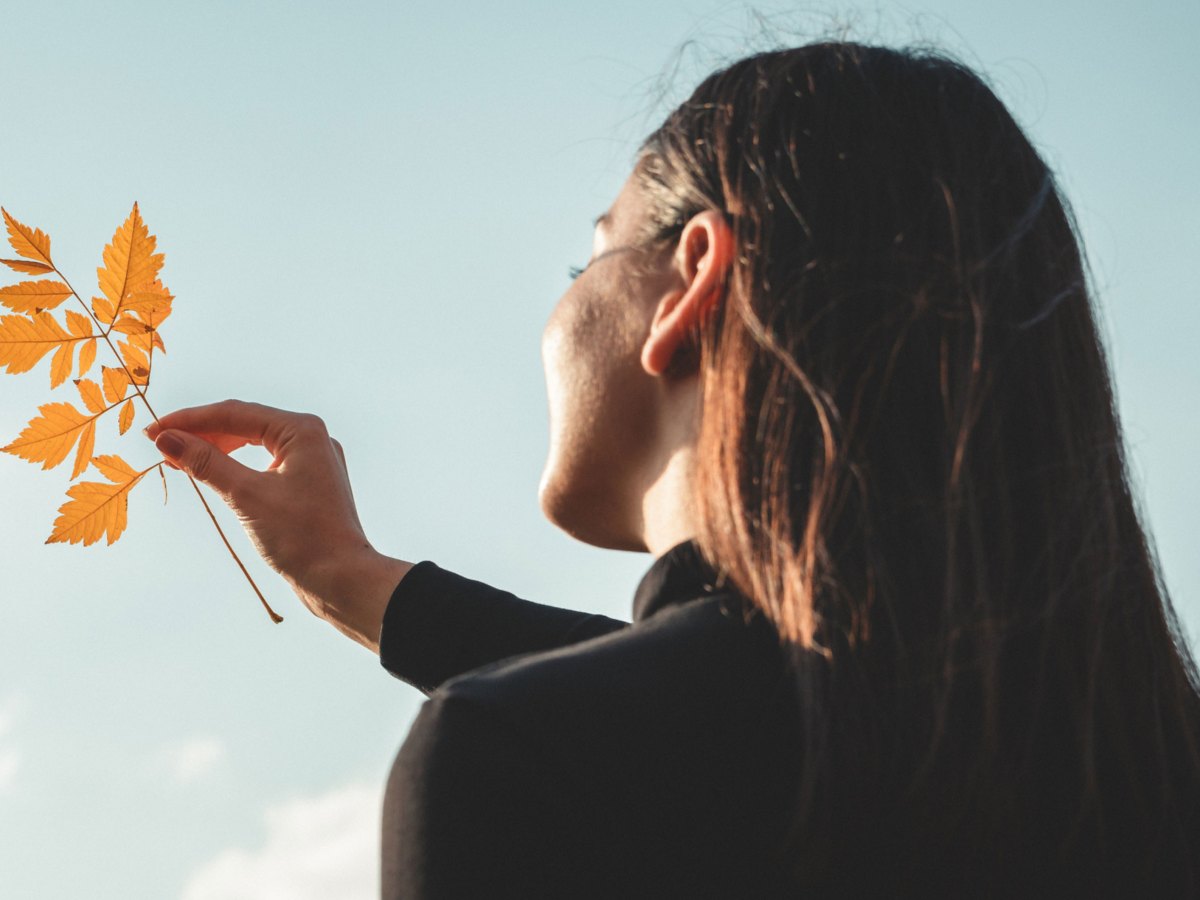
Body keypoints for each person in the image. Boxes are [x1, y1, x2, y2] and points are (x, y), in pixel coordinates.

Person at [144, 41, 1200, 898]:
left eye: (585, 260)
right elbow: (775, 710)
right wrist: (353, 576)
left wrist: (476, 700)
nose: (557, 308)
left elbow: (705, 734)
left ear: (691, 279)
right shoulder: (1134, 774)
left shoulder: (526, 769)